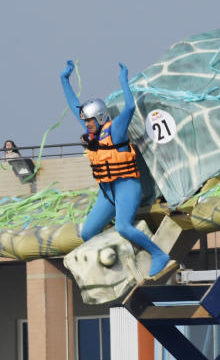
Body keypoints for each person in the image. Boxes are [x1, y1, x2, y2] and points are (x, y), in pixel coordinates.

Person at [61, 59, 173, 279]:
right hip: (108, 192)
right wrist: (64, 80)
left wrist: (123, 80)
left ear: (101, 117)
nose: (87, 124)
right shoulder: (92, 132)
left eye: (90, 120)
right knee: (88, 233)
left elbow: (130, 107)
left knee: (123, 226)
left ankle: (159, 254)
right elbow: (75, 105)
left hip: (127, 186)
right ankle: (124, 257)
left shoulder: (116, 131)